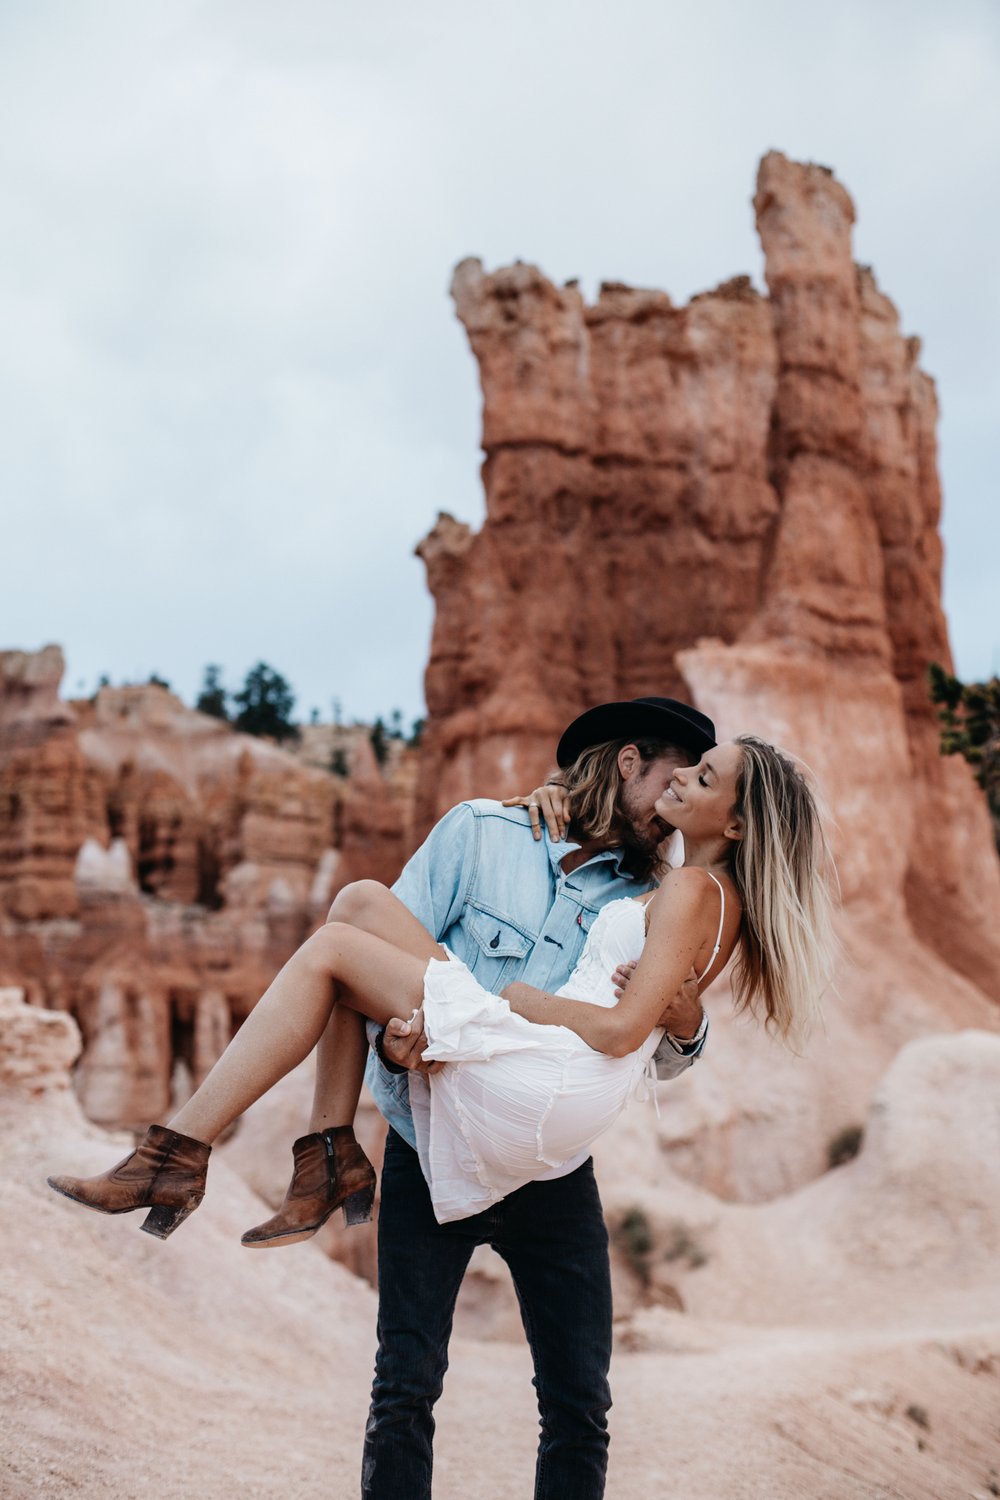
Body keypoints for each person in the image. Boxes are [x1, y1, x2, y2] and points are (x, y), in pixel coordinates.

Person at [47, 698, 834, 1500]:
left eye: (701, 786)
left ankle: (225, 1155)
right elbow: (381, 980)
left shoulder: (664, 889)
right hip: (439, 1122)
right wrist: (400, 1038)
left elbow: (649, 1051)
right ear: (630, 762)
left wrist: (687, 1019)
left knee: (579, 1403)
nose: (676, 807)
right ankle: (310, 1155)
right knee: (403, 1385)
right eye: (679, 776)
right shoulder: (483, 833)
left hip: (541, 1150)